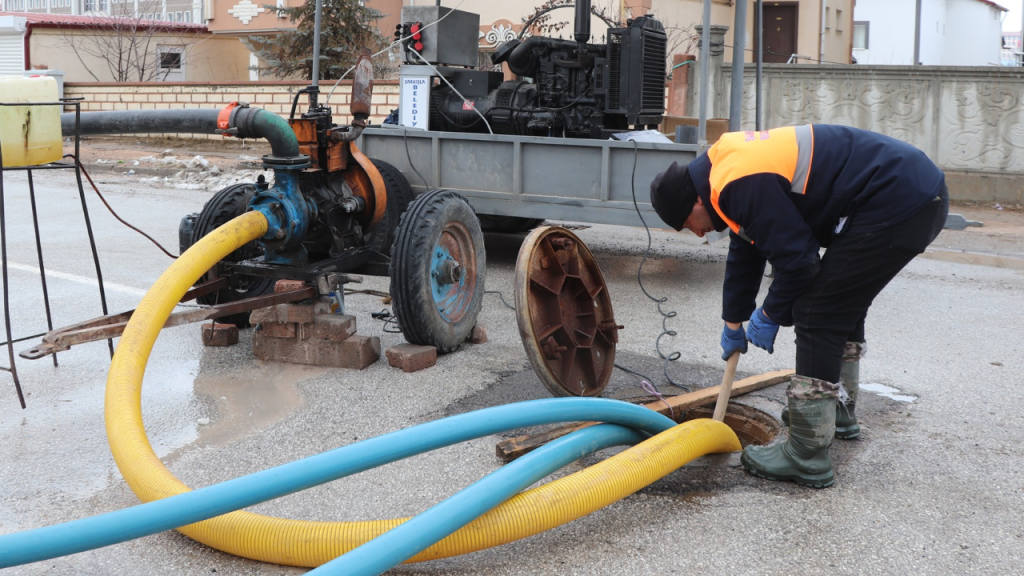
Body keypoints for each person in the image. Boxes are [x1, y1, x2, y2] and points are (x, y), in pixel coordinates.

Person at [649, 124, 949, 488]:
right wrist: (733, 322)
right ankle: (835, 412)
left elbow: (800, 262)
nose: (698, 234)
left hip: (899, 200)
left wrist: (772, 312)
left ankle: (806, 453)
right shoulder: (724, 170)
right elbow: (747, 247)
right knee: (839, 302)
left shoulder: (736, 181)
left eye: (687, 225)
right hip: (907, 192)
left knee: (817, 311)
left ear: (695, 202)